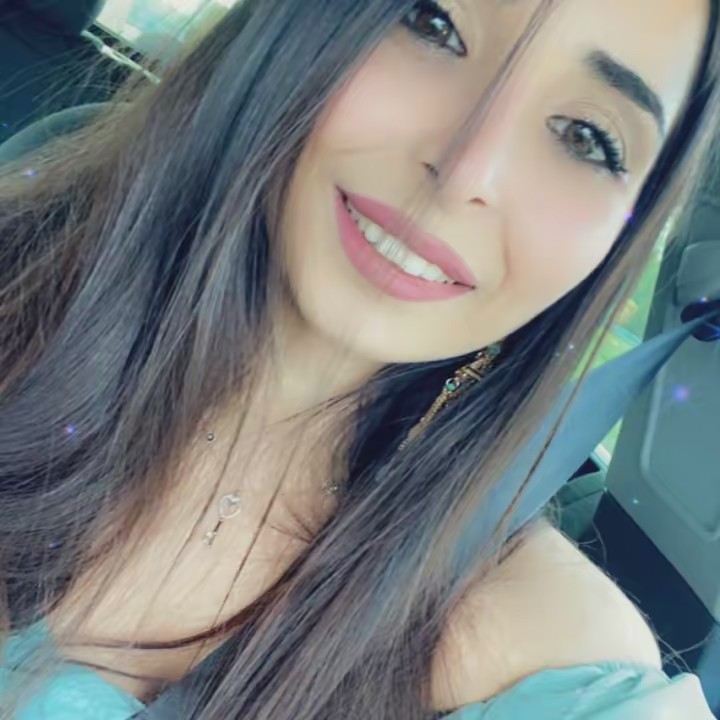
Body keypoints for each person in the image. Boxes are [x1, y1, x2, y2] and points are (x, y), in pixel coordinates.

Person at [0, 0, 717, 717]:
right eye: (433, 25)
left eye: (587, 139)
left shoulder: (556, 662)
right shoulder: (19, 280)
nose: (467, 169)